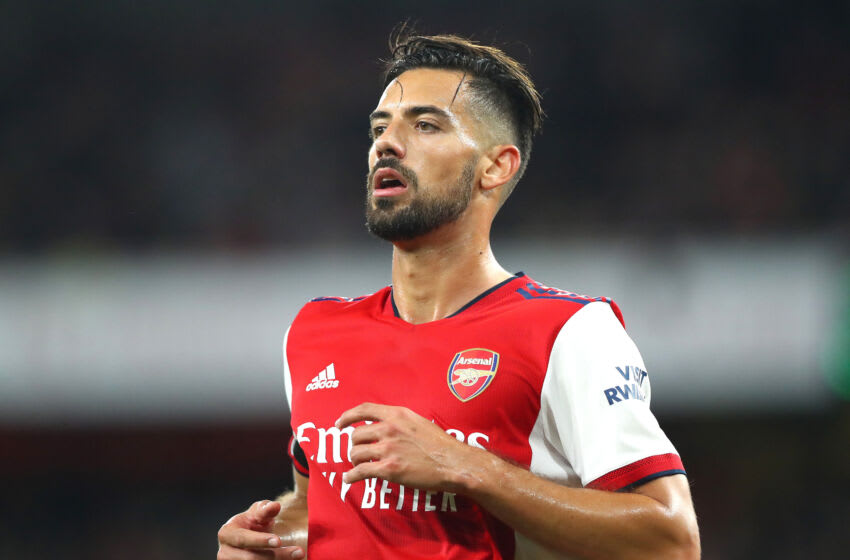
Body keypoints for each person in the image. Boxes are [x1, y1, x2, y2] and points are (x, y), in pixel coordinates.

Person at [217, 32, 700, 560]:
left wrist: (465, 466)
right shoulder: (314, 332)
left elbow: (670, 541)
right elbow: (321, 507)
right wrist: (272, 540)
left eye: (425, 125)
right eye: (381, 127)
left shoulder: (569, 332)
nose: (387, 143)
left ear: (496, 166)